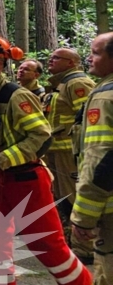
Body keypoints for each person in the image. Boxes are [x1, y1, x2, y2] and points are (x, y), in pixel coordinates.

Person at [0, 32, 96, 285]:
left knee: (45, 242)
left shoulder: (15, 95)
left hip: (25, 180)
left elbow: (41, 135)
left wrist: (3, 158)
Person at [70, 32, 113, 285]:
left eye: (95, 53)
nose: (90, 58)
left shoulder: (105, 97)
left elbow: (102, 162)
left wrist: (83, 218)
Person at [44, 48, 96, 262]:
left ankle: (85, 248)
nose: (51, 60)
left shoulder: (77, 83)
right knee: (61, 197)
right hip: (57, 150)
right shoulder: (60, 85)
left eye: (57, 58)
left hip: (69, 152)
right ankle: (69, 242)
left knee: (73, 197)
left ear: (71, 63)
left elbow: (86, 118)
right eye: (51, 57)